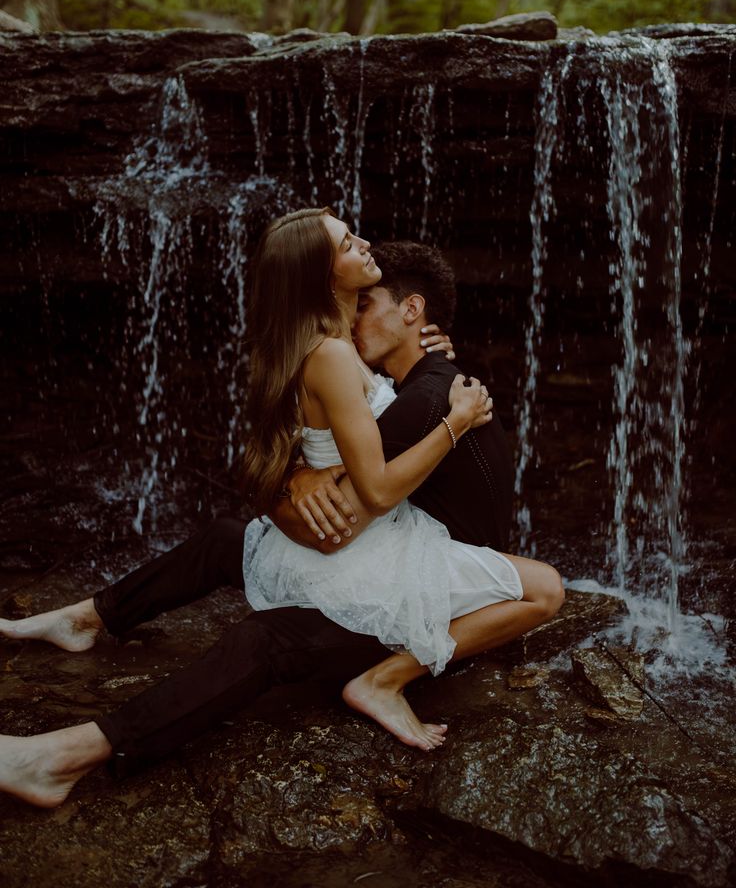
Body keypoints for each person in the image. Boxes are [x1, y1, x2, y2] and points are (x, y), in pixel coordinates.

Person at [0, 217, 563, 808]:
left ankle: (61, 757)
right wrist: (293, 479)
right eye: (351, 255)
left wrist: (292, 490)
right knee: (229, 541)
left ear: (412, 313)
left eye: (369, 304)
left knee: (263, 642)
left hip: (422, 584)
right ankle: (87, 619)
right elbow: (337, 476)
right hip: (390, 552)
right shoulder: (379, 368)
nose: (356, 308)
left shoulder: (419, 391)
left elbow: (346, 510)